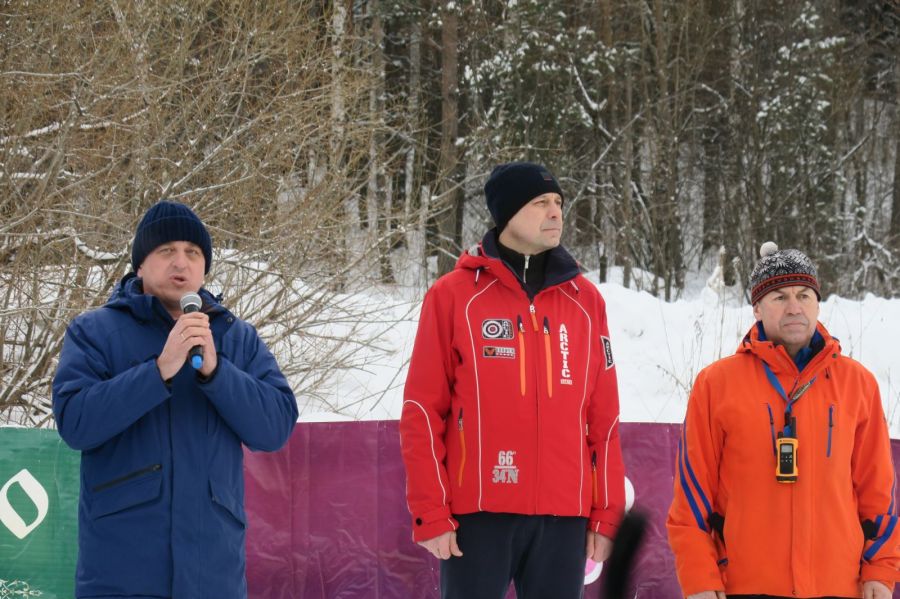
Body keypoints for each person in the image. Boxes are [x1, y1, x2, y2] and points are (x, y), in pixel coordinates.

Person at [399, 162, 625, 599]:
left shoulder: (586, 301)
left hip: (564, 517)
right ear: (507, 214)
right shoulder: (453, 296)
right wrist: (430, 510)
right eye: (541, 203)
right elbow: (423, 412)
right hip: (478, 514)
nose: (556, 212)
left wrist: (606, 514)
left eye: (558, 202)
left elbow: (605, 419)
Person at [52, 200, 298, 599]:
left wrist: (218, 374)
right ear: (140, 266)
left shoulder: (236, 337)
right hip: (121, 576)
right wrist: (157, 371)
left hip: (214, 577)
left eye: (193, 253)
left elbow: (275, 427)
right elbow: (76, 422)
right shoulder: (94, 332)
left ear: (204, 268)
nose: (180, 262)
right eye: (166, 251)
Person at [667, 242, 900, 599]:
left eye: (804, 295)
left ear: (818, 303)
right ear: (757, 308)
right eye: (779, 297)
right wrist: (700, 578)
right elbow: (693, 495)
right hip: (746, 585)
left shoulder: (857, 383)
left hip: (839, 585)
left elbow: (878, 492)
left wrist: (881, 570)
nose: (794, 307)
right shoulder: (716, 384)